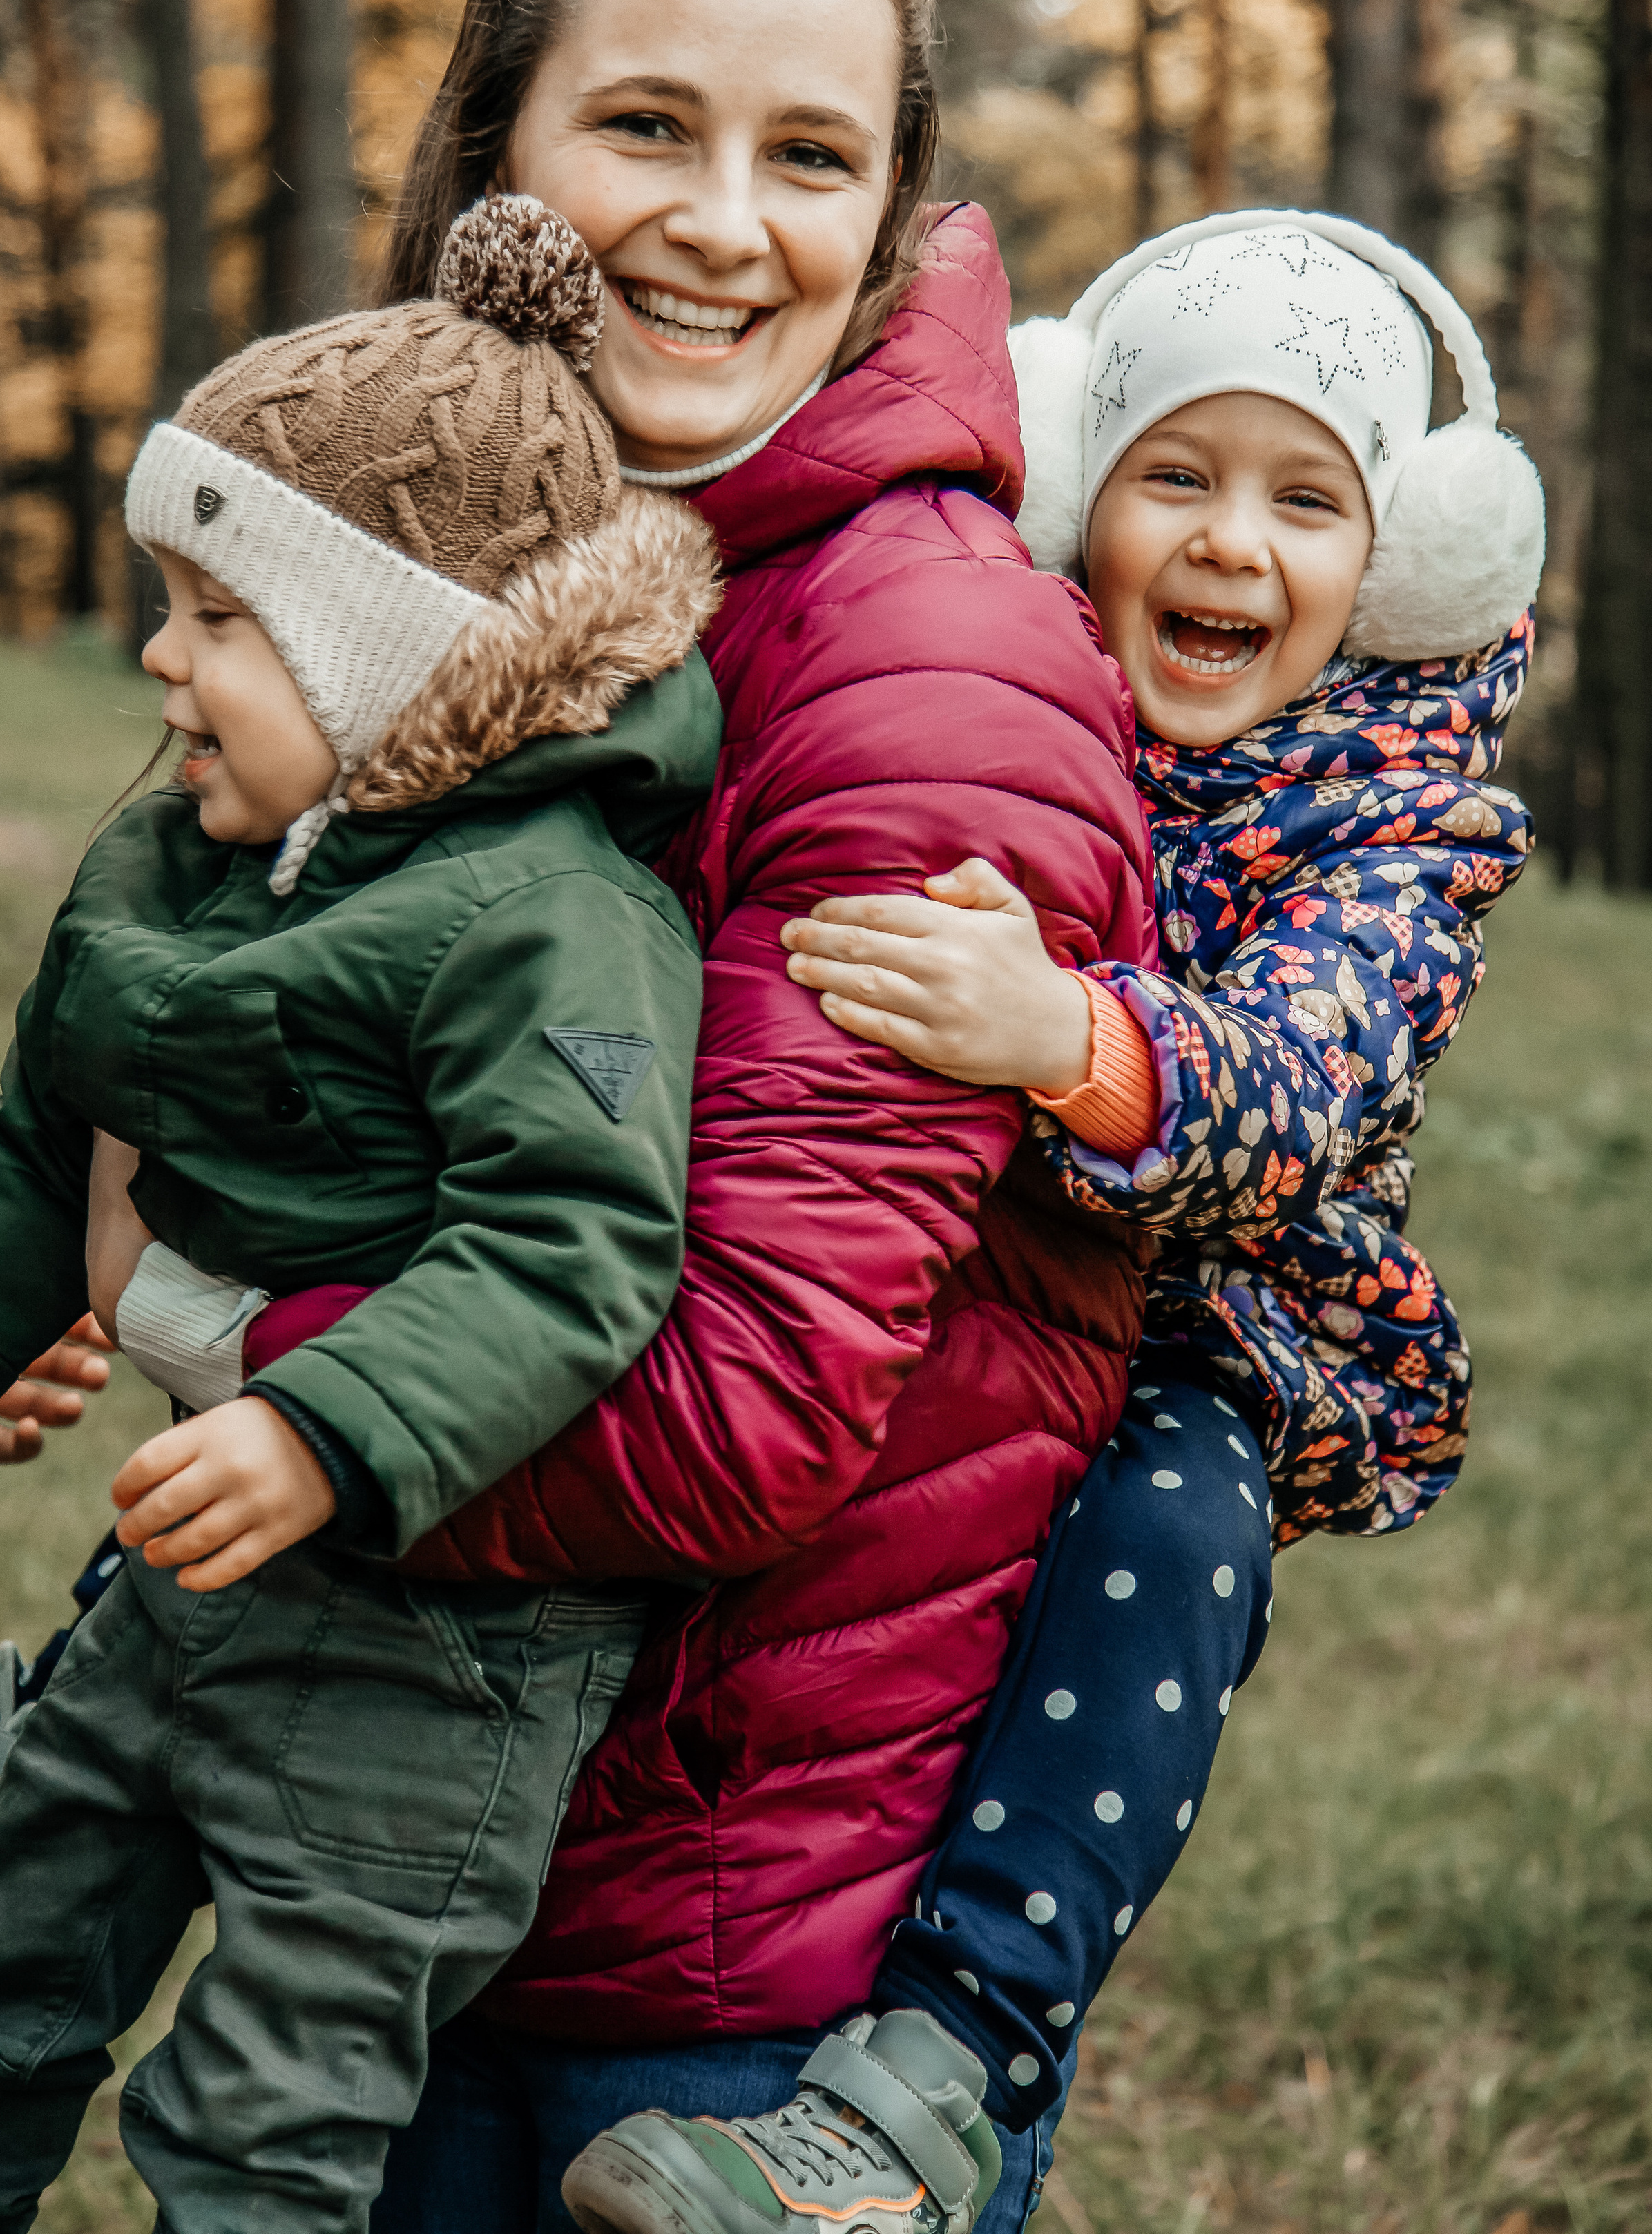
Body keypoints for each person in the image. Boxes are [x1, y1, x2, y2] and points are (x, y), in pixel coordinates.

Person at [0, 0, 1156, 2234]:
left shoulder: (921, 666)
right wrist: (10, 1285)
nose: (723, 220)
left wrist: (215, 1343)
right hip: (420, 1808)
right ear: (498, 156)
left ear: (891, 212)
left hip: (711, 1933)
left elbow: (748, 1404)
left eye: (813, 156)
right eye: (647, 123)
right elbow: (197, 1022)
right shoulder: (412, 560)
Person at [559, 212, 1544, 2234]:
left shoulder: (1400, 816)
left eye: (1306, 501)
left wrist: (1068, 1035)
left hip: (1212, 1316)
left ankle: (932, 2077)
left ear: (1400, 563)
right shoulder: (1016, 672)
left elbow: (1314, 1074)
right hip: (980, 1274)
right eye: (1176, 474)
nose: (1230, 547)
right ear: (1084, 482)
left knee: (1169, 1536)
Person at [0, 197, 725, 2224]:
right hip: (187, 1577)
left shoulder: (553, 920)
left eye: (219, 617)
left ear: (387, 659)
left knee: (264, 2115)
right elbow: (39, 1123)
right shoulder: (182, 862)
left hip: (438, 1660)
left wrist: (321, 1426)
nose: (160, 661)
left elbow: (573, 1243)